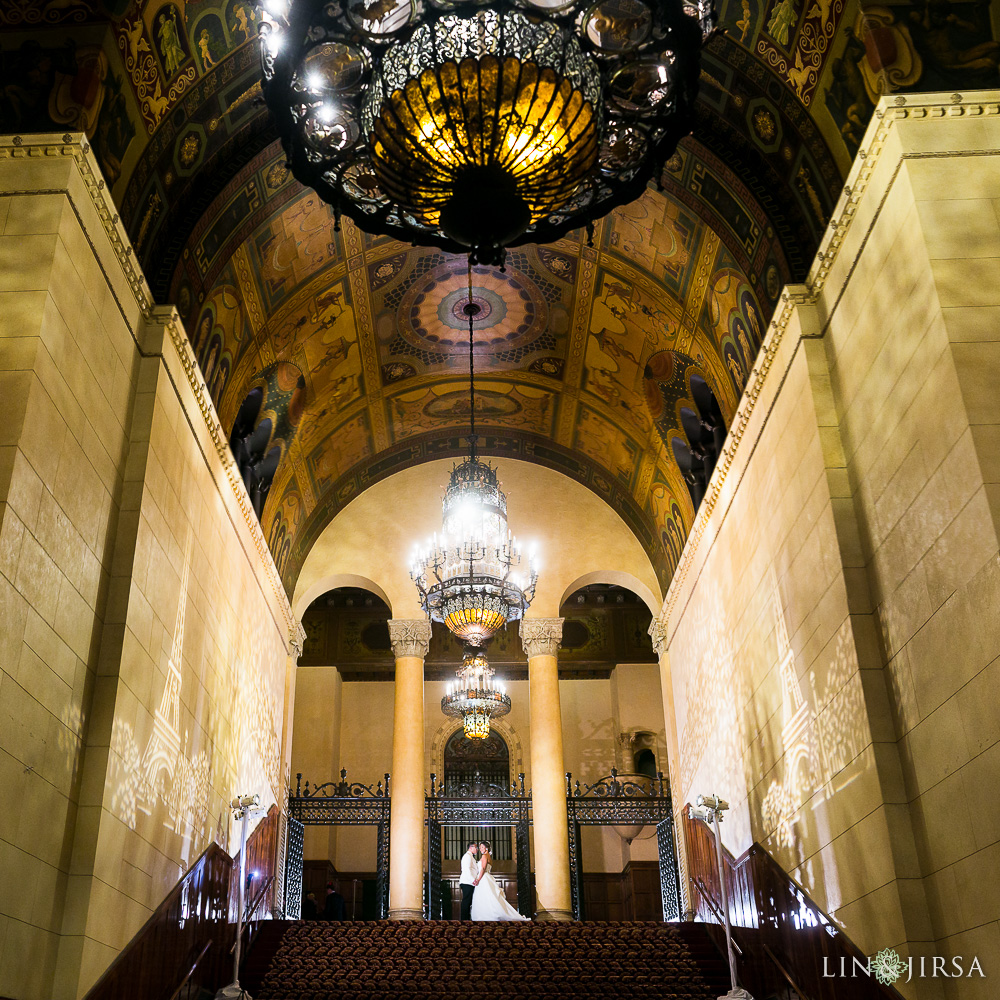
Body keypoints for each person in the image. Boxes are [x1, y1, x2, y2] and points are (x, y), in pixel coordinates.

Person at [470, 841, 529, 922]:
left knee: (485, 897)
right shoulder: (489, 857)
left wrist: (478, 879)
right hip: (487, 877)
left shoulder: (484, 856)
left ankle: (486, 915)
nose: (480, 849)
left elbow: (483, 869)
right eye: (480, 848)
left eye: (482, 847)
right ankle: (488, 914)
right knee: (488, 897)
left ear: (486, 848)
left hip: (483, 878)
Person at [459, 841, 478, 921]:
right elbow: (466, 870)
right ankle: (464, 920)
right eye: (476, 847)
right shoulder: (467, 856)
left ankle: (466, 918)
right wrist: (473, 880)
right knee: (466, 901)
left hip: (470, 882)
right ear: (471, 847)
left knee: (469, 901)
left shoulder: (471, 857)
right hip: (467, 882)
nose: (477, 849)